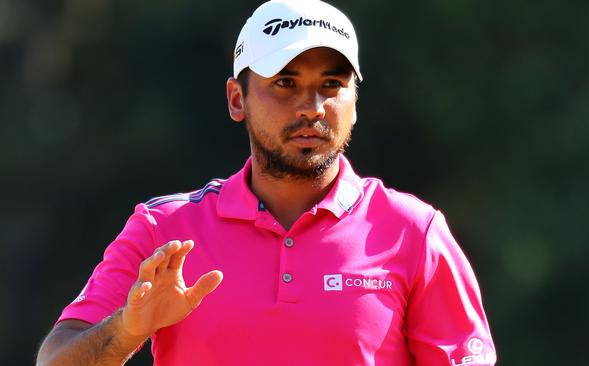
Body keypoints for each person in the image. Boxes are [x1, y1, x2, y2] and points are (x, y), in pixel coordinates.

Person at [36, 0, 497, 365]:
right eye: (284, 83)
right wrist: (127, 329)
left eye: (332, 84)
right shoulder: (165, 229)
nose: (311, 107)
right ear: (237, 99)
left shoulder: (414, 232)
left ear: (355, 101)